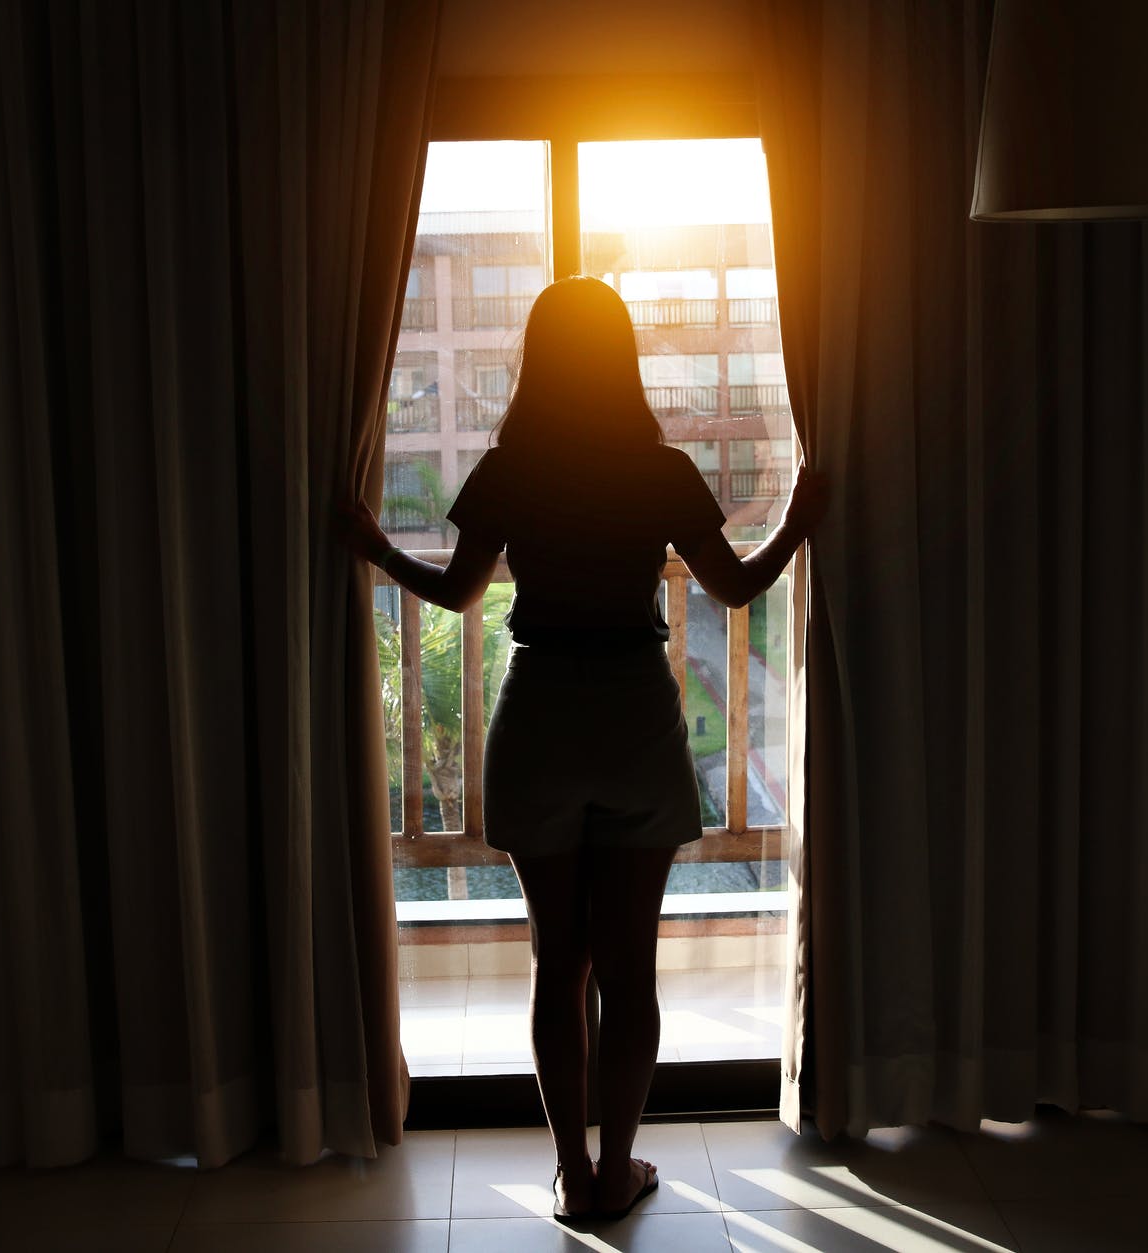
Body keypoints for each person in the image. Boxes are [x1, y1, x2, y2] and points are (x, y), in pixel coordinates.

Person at [340, 276, 827, 1224]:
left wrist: (371, 546)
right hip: (635, 717)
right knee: (629, 964)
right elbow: (732, 589)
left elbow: (456, 594)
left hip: (543, 713)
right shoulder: (662, 469)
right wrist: (797, 528)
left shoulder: (510, 466)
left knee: (556, 961)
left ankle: (570, 1173)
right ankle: (619, 1166)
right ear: (624, 361)